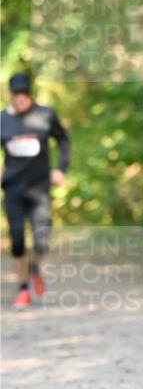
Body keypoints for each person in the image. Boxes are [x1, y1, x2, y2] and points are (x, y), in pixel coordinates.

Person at [1, 72, 69, 309]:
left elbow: (63, 141)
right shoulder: (3, 120)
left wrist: (60, 169)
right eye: (16, 94)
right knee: (18, 240)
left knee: (42, 238)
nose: (20, 98)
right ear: (10, 95)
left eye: (24, 94)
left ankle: (35, 268)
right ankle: (22, 290)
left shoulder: (45, 115)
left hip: (39, 188)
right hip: (13, 189)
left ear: (30, 94)